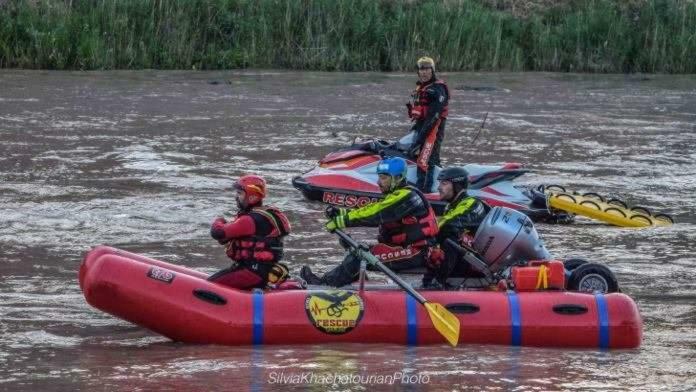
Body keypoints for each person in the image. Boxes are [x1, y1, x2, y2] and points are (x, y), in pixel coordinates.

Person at [300, 157, 439, 288]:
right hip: (406, 249)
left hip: (417, 252)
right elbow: (370, 208)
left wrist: (343, 221)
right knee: (356, 249)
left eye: (383, 178)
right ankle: (351, 281)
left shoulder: (407, 196)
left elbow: (376, 214)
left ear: (398, 178)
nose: (378, 182)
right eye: (379, 177)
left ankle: (324, 286)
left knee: (360, 256)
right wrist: (343, 213)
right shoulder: (395, 196)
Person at [208, 174, 292, 290]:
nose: (236, 197)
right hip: (259, 270)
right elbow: (225, 239)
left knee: (210, 286)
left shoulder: (250, 220)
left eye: (240, 193)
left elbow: (218, 232)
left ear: (252, 197)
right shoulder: (261, 215)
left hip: (252, 272)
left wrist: (219, 220)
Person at [426, 167, 490, 287]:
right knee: (433, 245)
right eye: (440, 183)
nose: (439, 187)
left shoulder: (471, 203)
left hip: (478, 261)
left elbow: (450, 223)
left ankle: (438, 283)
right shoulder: (450, 207)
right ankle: (428, 282)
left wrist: (424, 230)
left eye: (444, 183)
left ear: (457, 186)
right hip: (463, 258)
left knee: (450, 239)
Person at [405, 56, 449, 193]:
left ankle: (424, 192)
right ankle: (439, 187)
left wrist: (420, 140)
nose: (423, 72)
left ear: (432, 70)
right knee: (419, 157)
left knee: (426, 161)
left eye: (427, 69)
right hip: (421, 126)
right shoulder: (421, 87)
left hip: (434, 128)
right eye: (421, 69)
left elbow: (433, 117)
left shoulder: (438, 89)